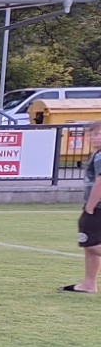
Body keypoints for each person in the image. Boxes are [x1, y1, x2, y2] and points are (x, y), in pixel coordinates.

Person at [63, 120, 101, 293]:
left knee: (91, 243)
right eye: (91, 134)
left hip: (97, 207)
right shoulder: (96, 154)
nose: (93, 138)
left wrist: (90, 207)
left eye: (98, 134)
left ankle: (89, 284)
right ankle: (89, 284)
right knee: (90, 244)